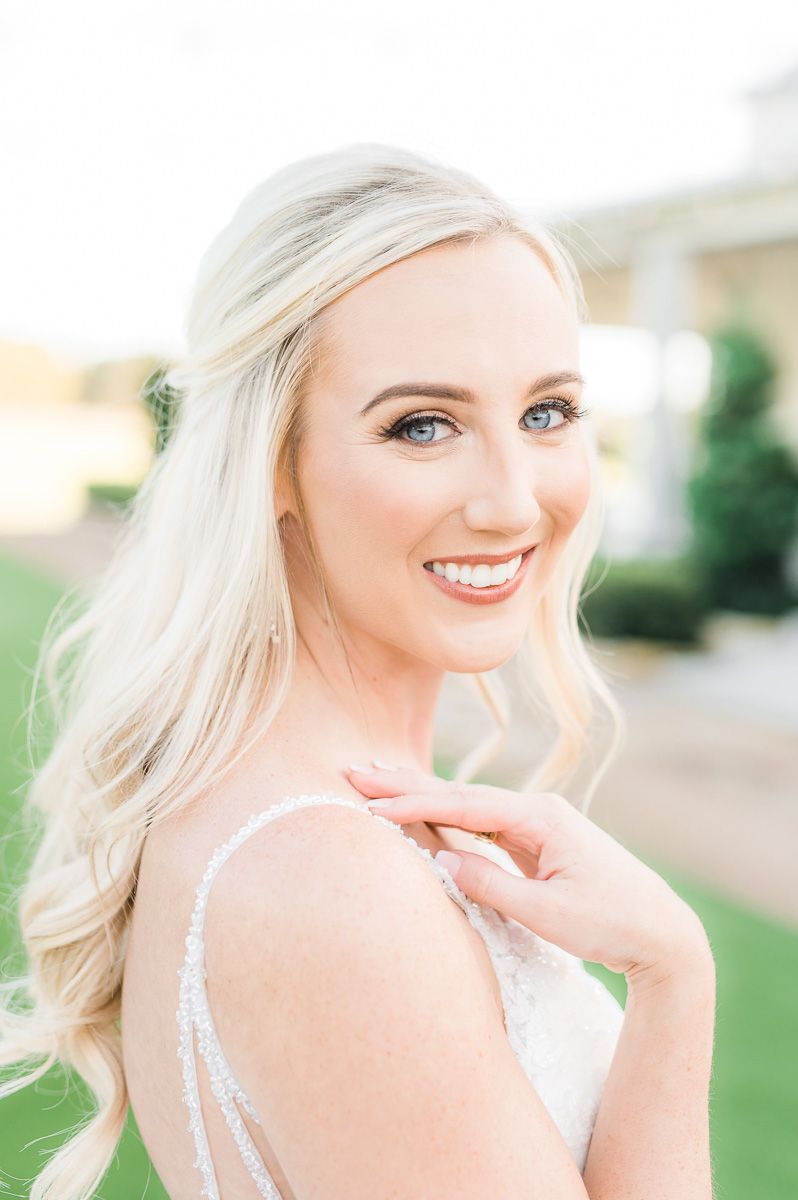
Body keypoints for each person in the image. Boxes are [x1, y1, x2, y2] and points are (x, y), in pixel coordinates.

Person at [0, 144, 715, 1200]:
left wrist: (669, 973)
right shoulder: (333, 888)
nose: (514, 500)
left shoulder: (283, 819)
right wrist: (677, 981)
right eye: (423, 425)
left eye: (547, 413)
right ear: (272, 463)